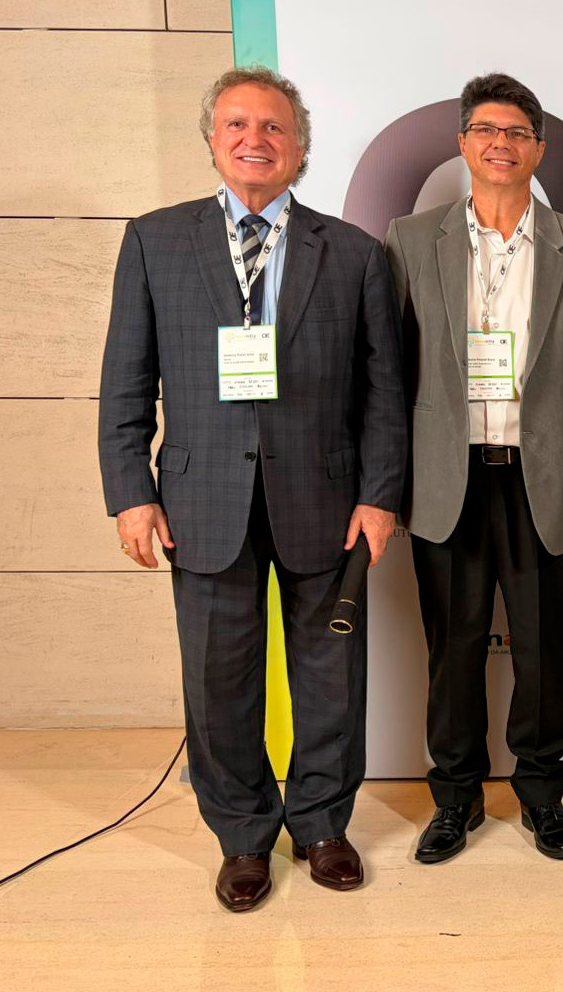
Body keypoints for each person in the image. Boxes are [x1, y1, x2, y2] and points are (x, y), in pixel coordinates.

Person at [98, 67, 406, 911]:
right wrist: (131, 492)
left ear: (300, 146)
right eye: (236, 124)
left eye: (273, 127)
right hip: (201, 505)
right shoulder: (155, 241)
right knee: (218, 680)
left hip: (329, 502)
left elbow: (383, 391)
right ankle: (242, 835)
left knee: (331, 676)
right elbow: (127, 381)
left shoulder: (353, 254)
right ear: (212, 140)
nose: (254, 139)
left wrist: (381, 496)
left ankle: (320, 826)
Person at [384, 73, 563, 864]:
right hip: (445, 482)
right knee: (451, 650)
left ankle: (544, 797)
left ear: (539, 149)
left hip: (544, 479)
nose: (500, 142)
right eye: (485, 128)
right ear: (462, 143)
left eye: (517, 131)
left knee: (547, 651)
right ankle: (455, 800)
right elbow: (389, 375)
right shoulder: (412, 241)